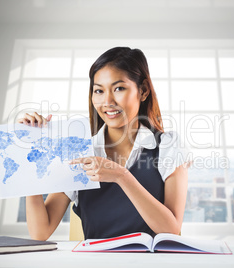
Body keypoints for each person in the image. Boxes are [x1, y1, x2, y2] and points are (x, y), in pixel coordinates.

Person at [18, 47, 191, 240]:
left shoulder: (167, 146)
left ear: (143, 91)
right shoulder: (78, 150)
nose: (107, 101)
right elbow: (40, 232)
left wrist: (122, 176)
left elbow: (171, 230)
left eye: (119, 88)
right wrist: (32, 152)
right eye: (99, 91)